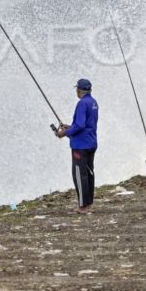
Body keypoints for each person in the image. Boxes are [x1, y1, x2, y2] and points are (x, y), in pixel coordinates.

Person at [56, 78, 99, 214]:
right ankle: (89, 204)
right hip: (91, 142)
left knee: (79, 175)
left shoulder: (82, 104)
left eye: (77, 89)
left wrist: (65, 133)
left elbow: (80, 125)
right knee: (89, 173)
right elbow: (85, 124)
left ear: (79, 90)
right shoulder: (93, 102)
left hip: (80, 145)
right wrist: (70, 127)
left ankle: (82, 207)